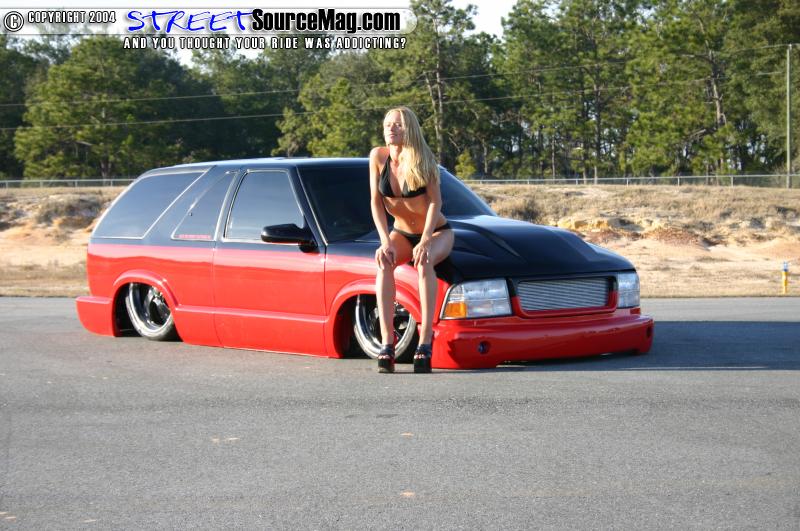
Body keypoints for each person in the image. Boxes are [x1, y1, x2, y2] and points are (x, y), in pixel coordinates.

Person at [369, 106, 454, 373]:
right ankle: (387, 343)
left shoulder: (423, 158)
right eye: (387, 124)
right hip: (401, 232)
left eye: (398, 124)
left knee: (423, 262)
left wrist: (426, 239)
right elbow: (375, 202)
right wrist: (384, 240)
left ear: (409, 129)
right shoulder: (377, 157)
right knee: (384, 262)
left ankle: (425, 340)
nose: (391, 128)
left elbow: (436, 202)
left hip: (436, 232)